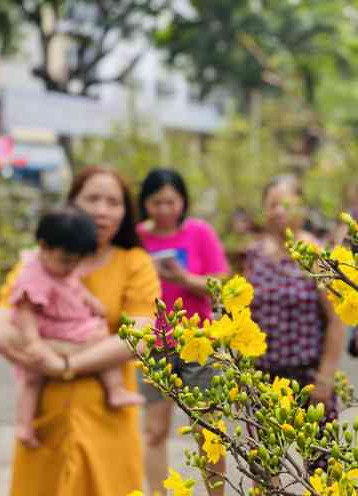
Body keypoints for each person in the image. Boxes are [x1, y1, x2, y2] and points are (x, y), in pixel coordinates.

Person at [0, 165, 160, 496]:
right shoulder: (37, 263)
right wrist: (78, 352)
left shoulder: (134, 263)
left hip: (109, 420)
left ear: (126, 211)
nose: (102, 210)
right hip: (45, 421)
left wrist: (62, 365)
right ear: (71, 203)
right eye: (92, 198)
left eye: (113, 202)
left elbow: (138, 338)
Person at [11, 207, 144, 448]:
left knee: (33, 381)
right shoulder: (33, 275)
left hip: (65, 328)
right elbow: (25, 310)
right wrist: (33, 342)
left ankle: (24, 425)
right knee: (33, 381)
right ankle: (23, 424)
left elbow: (75, 286)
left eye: (76, 263)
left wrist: (91, 301)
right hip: (55, 330)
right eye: (66, 262)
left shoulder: (60, 268)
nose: (70, 268)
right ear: (44, 246)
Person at [137, 168, 230, 496]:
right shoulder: (137, 238)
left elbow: (223, 284)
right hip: (152, 343)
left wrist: (185, 279)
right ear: (144, 203)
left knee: (208, 431)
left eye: (170, 201)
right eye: (156, 202)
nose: (164, 209)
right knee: (154, 431)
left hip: (198, 342)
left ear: (182, 201)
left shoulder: (200, 233)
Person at [243, 175, 345, 469]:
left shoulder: (314, 254)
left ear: (301, 207)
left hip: (309, 377)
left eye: (285, 203)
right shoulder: (253, 254)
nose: (278, 211)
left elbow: (337, 320)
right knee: (263, 469)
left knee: (322, 470)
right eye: (271, 204)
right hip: (262, 377)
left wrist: (325, 379)